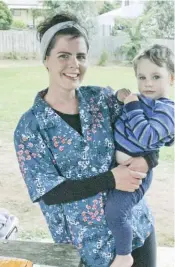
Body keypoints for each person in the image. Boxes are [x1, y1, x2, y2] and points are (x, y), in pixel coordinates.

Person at [14, 13, 158, 267]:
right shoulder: (30, 127)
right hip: (87, 250)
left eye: (80, 56)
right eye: (64, 56)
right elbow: (49, 192)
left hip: (136, 231)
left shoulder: (102, 100)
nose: (74, 64)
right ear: (46, 59)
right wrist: (112, 179)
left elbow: (147, 131)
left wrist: (148, 160)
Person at [104, 44, 175, 267]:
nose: (148, 83)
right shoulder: (146, 101)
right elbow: (121, 112)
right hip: (120, 165)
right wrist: (120, 96)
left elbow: (147, 138)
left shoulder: (167, 110)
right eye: (141, 77)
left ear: (172, 79)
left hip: (136, 173)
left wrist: (132, 105)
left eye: (156, 76)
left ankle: (124, 255)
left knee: (116, 212)